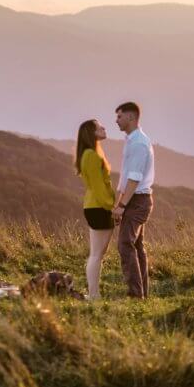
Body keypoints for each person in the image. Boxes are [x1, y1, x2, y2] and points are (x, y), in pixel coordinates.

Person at [112, 101, 155, 298]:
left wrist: (121, 205)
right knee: (136, 246)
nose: (116, 120)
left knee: (125, 244)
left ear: (130, 117)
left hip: (137, 200)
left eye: (119, 116)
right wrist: (118, 203)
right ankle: (141, 293)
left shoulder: (138, 143)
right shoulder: (132, 140)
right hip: (134, 199)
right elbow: (125, 178)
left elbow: (134, 178)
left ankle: (136, 295)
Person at [75, 119, 115, 300]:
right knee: (97, 255)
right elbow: (99, 186)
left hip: (95, 206)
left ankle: (93, 294)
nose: (104, 128)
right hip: (99, 206)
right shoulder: (91, 155)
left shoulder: (89, 153)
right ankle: (94, 295)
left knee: (96, 254)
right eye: (100, 127)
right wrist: (112, 206)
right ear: (92, 133)